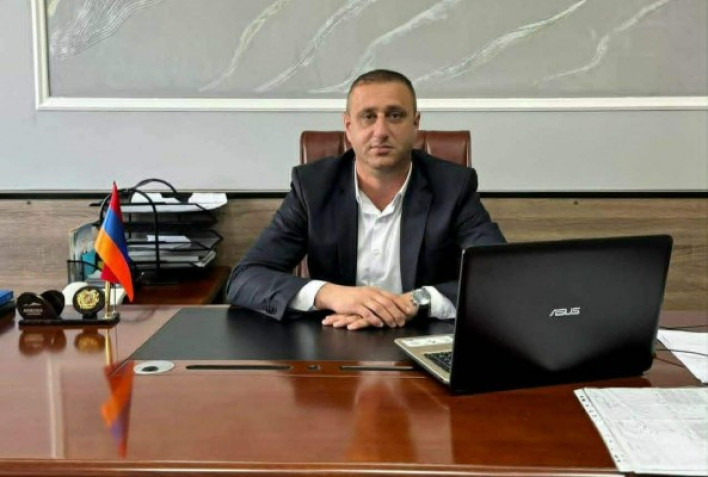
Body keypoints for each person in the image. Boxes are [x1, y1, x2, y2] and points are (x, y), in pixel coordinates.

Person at [227, 69, 504, 330]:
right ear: (348, 127)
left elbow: (500, 277)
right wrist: (332, 295)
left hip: (422, 337)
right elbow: (245, 278)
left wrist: (416, 301)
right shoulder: (312, 188)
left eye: (395, 115)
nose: (381, 131)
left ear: (415, 125)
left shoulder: (453, 187)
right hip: (334, 338)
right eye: (368, 117)